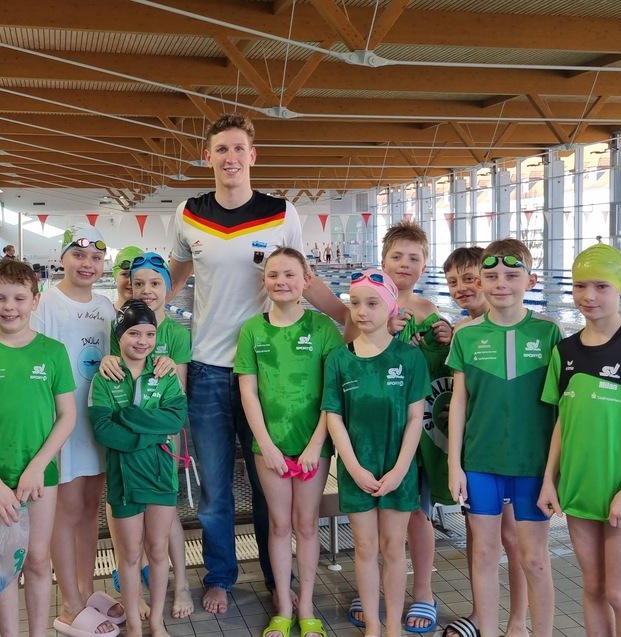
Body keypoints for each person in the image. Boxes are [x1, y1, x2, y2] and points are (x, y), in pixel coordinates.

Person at [166, 113, 347, 614]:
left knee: (273, 483)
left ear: (253, 155)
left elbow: (303, 279)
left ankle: (277, 578)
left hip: (268, 371)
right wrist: (139, 313)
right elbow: (175, 276)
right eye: (220, 149)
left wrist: (350, 319)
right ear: (208, 157)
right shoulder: (188, 213)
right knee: (214, 488)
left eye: (238, 148)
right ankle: (221, 575)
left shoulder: (281, 212)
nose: (229, 158)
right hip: (206, 366)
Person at [539, 244, 621, 636]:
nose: (589, 296)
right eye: (580, 286)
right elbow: (562, 421)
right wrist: (550, 479)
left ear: (620, 288)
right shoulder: (565, 352)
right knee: (594, 588)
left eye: (601, 286)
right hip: (580, 488)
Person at [0, 258, 77, 637]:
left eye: (20, 298)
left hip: (41, 477)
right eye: (1, 297)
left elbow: (66, 416)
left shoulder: (52, 352)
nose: (10, 307)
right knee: (3, 562)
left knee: (39, 559)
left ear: (35, 300)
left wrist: (38, 465)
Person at [446, 239, 561, 637]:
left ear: (530, 280)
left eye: (512, 276)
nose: (501, 284)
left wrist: (554, 474)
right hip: (480, 463)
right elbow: (458, 405)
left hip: (532, 465)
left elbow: (562, 410)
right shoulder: (466, 336)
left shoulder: (549, 334)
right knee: (482, 553)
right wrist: (454, 466)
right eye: (492, 276)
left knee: (535, 559)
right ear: (481, 280)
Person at [235, 247, 342, 637]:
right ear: (264, 282)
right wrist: (265, 444)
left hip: (314, 443)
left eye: (289, 275)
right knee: (280, 526)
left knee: (307, 524)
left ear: (305, 281)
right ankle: (283, 604)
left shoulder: (324, 329)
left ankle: (308, 604)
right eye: (274, 275)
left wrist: (316, 444)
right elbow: (248, 393)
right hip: (270, 446)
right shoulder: (252, 330)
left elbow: (333, 395)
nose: (281, 282)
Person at [322, 269, 429, 637]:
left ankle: (394, 626)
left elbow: (417, 417)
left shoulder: (410, 358)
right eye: (355, 303)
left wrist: (401, 470)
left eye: (371, 303)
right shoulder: (339, 359)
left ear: (390, 307)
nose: (361, 311)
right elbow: (333, 416)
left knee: (393, 548)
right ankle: (372, 625)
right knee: (365, 548)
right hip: (357, 468)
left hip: (398, 468)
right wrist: (351, 467)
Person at [34, 228, 121, 637]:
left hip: (97, 420)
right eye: (78, 256)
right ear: (63, 258)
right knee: (65, 513)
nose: (87, 265)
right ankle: (68, 604)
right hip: (61, 422)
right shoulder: (47, 304)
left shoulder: (106, 307)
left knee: (89, 510)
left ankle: (85, 592)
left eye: (95, 259)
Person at [100, 251, 195, 619]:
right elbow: (114, 381)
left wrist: (170, 371)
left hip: (162, 445)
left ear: (168, 287)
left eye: (155, 283)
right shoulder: (119, 328)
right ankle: (133, 587)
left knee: (167, 517)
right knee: (128, 516)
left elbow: (179, 398)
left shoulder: (175, 334)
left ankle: (182, 583)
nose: (146, 290)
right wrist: (109, 359)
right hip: (128, 444)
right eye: (138, 283)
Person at [442, 247, 529, 637]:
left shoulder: (530, 329)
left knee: (512, 539)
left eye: (469, 279)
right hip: (479, 457)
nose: (463, 288)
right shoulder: (463, 332)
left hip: (518, 458)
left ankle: (517, 621)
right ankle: (483, 617)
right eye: (454, 282)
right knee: (482, 542)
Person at [112, 246, 144, 310]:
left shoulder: (157, 314)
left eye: (138, 275)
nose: (131, 282)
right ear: (115, 277)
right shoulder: (103, 316)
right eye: (125, 274)